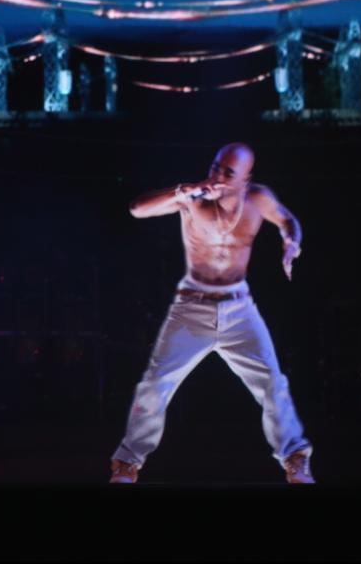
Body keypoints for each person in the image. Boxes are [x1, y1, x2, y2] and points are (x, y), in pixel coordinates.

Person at [110, 143, 315, 484]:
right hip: (191, 308)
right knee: (155, 384)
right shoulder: (192, 198)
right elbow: (137, 209)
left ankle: (295, 459)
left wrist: (291, 243)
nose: (217, 176)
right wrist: (181, 192)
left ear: (246, 179)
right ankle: (127, 463)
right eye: (215, 166)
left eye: (228, 173)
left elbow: (287, 219)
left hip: (239, 310)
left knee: (273, 383)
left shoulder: (257, 198)